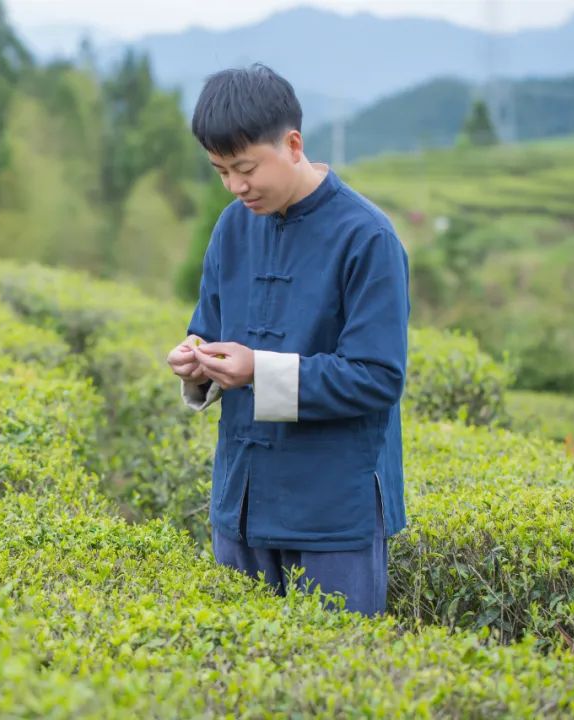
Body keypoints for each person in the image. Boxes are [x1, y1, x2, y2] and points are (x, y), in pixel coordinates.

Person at [165, 63, 410, 617]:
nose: (235, 186)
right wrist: (197, 360)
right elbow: (208, 324)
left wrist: (258, 370)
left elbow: (378, 377)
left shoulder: (367, 237)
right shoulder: (231, 226)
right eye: (221, 170)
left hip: (334, 509)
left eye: (246, 168)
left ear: (293, 144)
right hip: (242, 501)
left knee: (334, 684)